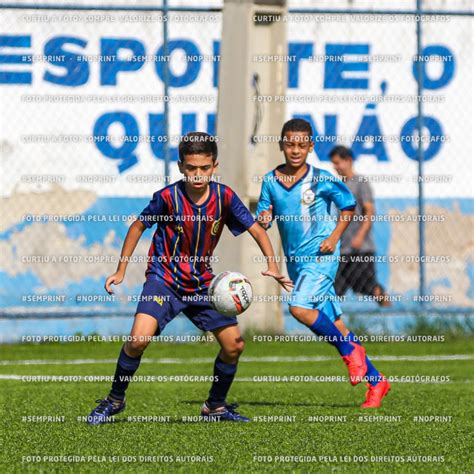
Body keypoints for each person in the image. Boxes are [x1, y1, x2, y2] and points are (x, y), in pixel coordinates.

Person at [87, 132, 293, 425]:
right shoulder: (168, 197)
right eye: (191, 168)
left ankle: (215, 406)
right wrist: (120, 270)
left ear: (214, 166)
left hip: (201, 284)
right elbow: (137, 226)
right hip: (164, 280)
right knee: (138, 340)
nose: (198, 175)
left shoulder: (225, 197)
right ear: (182, 167)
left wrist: (273, 265)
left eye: (204, 168)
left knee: (234, 345)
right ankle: (114, 399)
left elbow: (257, 230)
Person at [256, 119, 391, 408]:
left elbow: (348, 205)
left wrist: (334, 237)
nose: (295, 150)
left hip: (321, 258)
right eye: (290, 144)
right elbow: (264, 211)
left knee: (298, 308)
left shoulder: (321, 179)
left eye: (301, 145)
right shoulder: (270, 181)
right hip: (297, 263)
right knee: (337, 324)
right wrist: (264, 218)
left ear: (310, 147)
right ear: (281, 145)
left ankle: (347, 351)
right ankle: (377, 381)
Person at [330, 145, 391, 307]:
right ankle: (330, 327)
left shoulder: (360, 183)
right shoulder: (339, 185)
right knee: (333, 288)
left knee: (368, 288)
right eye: (333, 164)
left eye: (337, 163)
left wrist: (360, 236)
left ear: (348, 161)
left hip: (360, 248)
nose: (335, 167)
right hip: (343, 249)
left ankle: (389, 311)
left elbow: (369, 211)